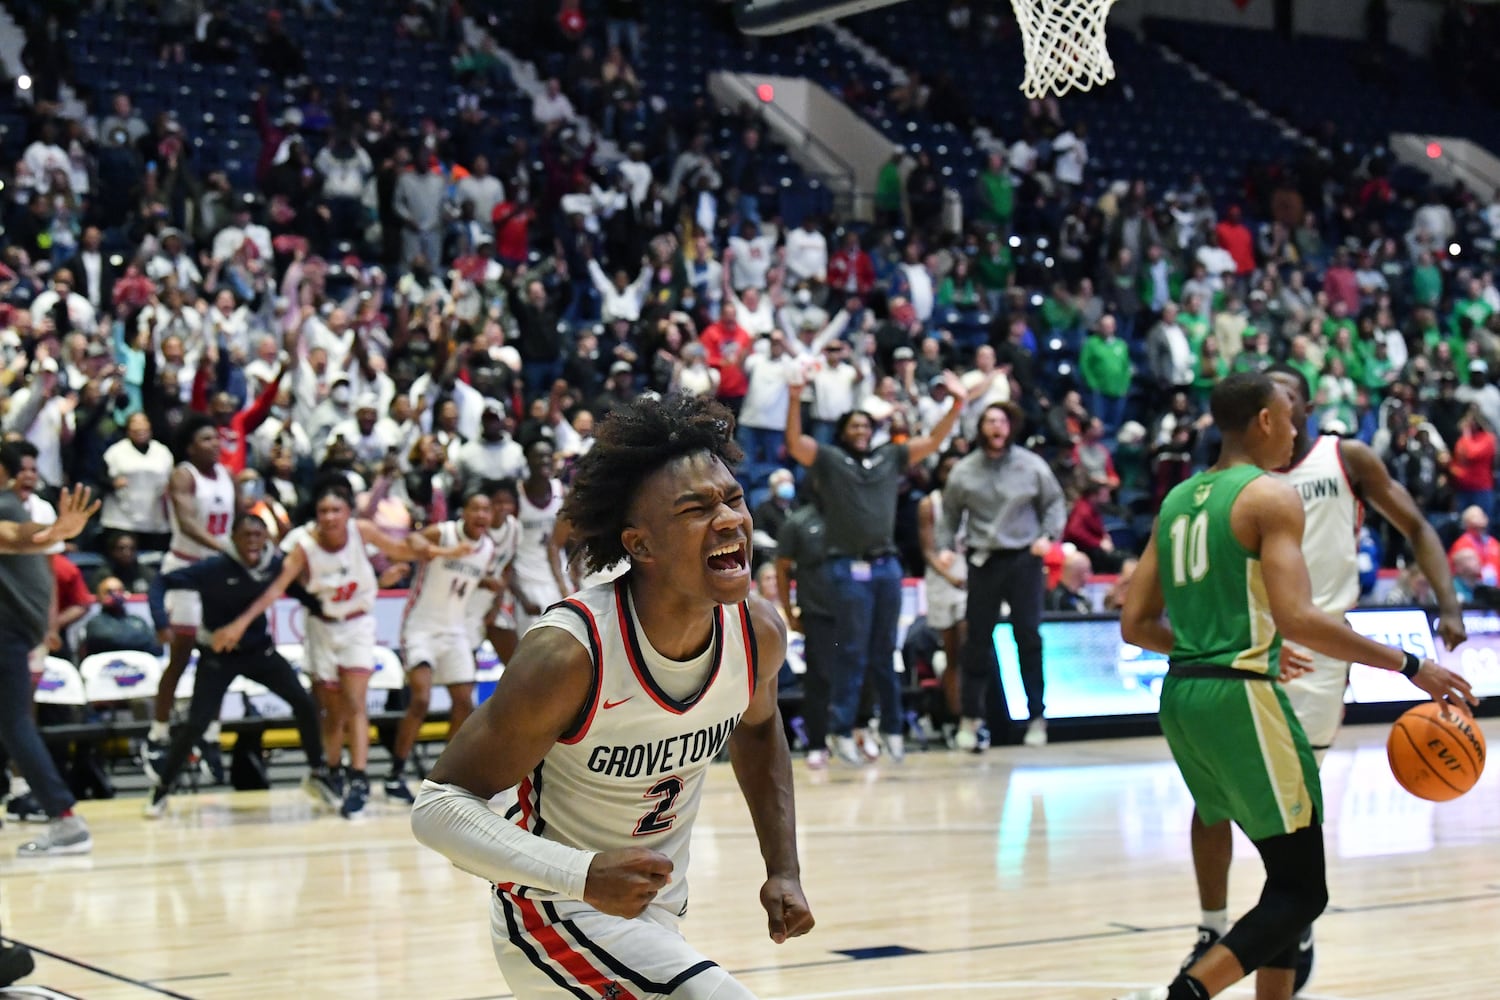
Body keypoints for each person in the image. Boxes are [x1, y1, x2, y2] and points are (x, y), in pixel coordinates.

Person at [411, 394, 814, 999]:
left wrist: (782, 866)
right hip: (553, 915)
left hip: (655, 914)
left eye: (733, 498)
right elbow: (438, 808)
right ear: (640, 545)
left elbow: (758, 729)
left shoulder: (757, 633)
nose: (730, 519)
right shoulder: (569, 654)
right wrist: (582, 873)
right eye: (696, 509)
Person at [1118, 372, 1476, 1000]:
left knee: (1278, 875)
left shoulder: (1177, 500)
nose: (1294, 429)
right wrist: (1412, 666)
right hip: (1244, 698)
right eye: (1287, 417)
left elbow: (1135, 624)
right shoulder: (1269, 496)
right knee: (1302, 889)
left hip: (1183, 696)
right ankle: (1190, 992)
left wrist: (1214, 649)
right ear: (1262, 421)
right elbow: (1301, 619)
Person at [210, 477, 460, 817]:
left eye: (336, 510)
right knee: (331, 712)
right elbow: (274, 590)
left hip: (357, 624)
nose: (329, 516)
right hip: (322, 630)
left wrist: (443, 551)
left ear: (347, 512)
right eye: (323, 510)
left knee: (356, 702)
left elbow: (401, 550)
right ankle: (332, 770)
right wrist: (238, 625)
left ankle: (359, 777)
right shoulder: (305, 547)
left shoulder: (362, 531)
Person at [783, 367, 967, 764]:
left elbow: (935, 440)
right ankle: (842, 730)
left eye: (866, 423)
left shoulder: (891, 456)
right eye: (854, 424)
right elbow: (796, 443)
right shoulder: (830, 460)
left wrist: (958, 403)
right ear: (844, 431)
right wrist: (796, 396)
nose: (861, 429)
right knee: (852, 651)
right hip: (846, 566)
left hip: (887, 567)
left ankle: (892, 729)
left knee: (885, 651)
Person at [145, 514, 343, 818]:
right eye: (246, 534)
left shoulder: (274, 566)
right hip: (217, 655)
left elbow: (297, 592)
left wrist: (323, 609)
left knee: (304, 703)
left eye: (258, 534)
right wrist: (161, 622)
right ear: (233, 538)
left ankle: (318, 773)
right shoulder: (214, 567)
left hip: (259, 652)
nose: (252, 540)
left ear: (266, 538)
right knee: (196, 723)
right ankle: (162, 787)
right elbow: (160, 582)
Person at [937, 402, 1067, 749]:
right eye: (989, 421)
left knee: (1028, 637)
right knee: (977, 641)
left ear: (1011, 426)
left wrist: (1048, 537)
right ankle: (970, 719)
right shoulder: (964, 471)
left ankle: (1036, 717)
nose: (996, 427)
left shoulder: (1031, 465)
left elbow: (1055, 503)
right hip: (984, 560)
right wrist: (946, 545)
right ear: (980, 428)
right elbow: (948, 515)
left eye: (1002, 421)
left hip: (1024, 559)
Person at [0, 450, 100, 857]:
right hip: (19, 632)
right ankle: (63, 817)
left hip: (6, 632)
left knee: (16, 724)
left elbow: (17, 537)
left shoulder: (5, 504)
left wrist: (55, 530)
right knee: (13, 725)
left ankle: (65, 819)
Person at [386, 492, 499, 803]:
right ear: (463, 512)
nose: (481, 514)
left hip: (455, 630)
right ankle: (395, 773)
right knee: (420, 699)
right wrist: (447, 550)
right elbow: (413, 543)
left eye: (486, 509)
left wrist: (488, 584)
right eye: (475, 507)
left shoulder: (488, 548)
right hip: (420, 627)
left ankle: (446, 778)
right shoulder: (445, 532)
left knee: (465, 702)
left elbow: (466, 578)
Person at [145, 417, 237, 782]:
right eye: (205, 438)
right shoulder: (183, 475)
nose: (214, 443)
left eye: (216, 437)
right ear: (189, 446)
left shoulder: (226, 476)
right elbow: (186, 524)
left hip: (215, 573)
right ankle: (158, 732)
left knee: (216, 658)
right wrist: (227, 550)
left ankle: (210, 736)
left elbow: (238, 518)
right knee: (181, 656)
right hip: (185, 571)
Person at [775, 502, 836, 769]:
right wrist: (789, 611)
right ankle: (817, 744)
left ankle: (857, 732)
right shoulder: (798, 522)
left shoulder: (852, 514)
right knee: (819, 678)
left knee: (859, 672)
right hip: (817, 611)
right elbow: (782, 567)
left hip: (854, 610)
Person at [916, 450, 966, 726]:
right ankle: (955, 716)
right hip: (942, 576)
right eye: (947, 469)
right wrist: (950, 576)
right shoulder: (929, 503)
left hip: (970, 572)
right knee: (952, 653)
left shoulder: (973, 500)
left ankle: (973, 714)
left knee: (969, 645)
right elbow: (928, 550)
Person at [511, 440, 568, 633]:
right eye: (538, 456)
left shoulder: (561, 490)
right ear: (527, 460)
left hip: (558, 576)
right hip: (527, 577)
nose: (544, 460)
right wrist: (519, 594)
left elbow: (571, 537)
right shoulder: (516, 493)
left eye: (548, 456)